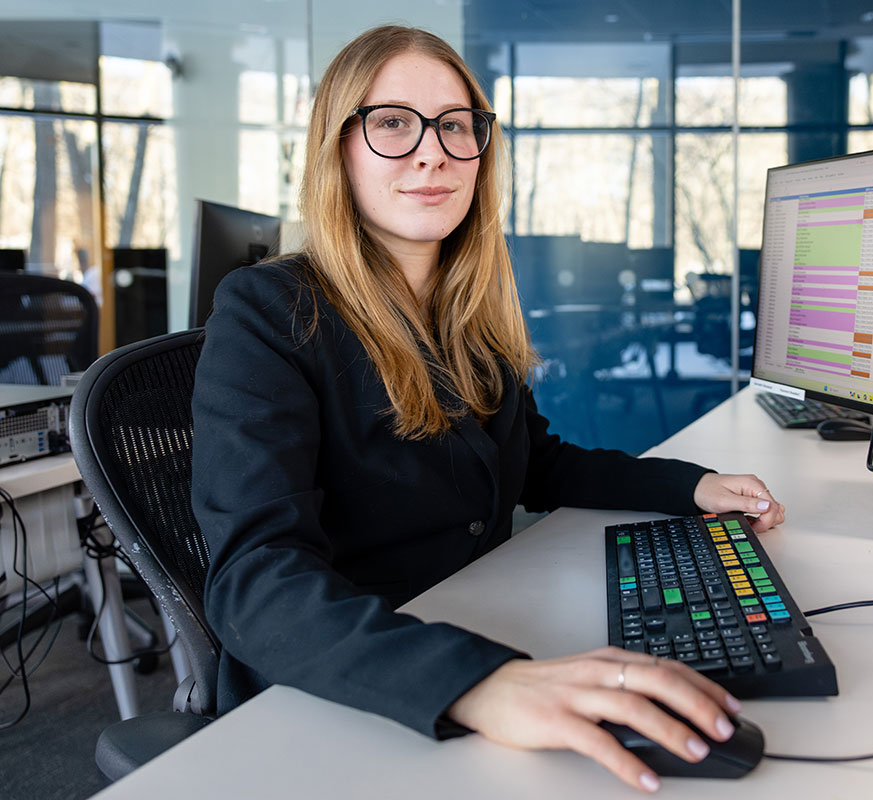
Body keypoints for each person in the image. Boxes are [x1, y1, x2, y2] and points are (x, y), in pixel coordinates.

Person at [191, 25, 786, 794]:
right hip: (348, 690)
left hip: (475, 620)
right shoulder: (270, 313)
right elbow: (256, 583)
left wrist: (685, 488)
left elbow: (537, 463)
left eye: (455, 125)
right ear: (338, 148)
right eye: (393, 123)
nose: (432, 152)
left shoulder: (466, 308)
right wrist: (478, 682)